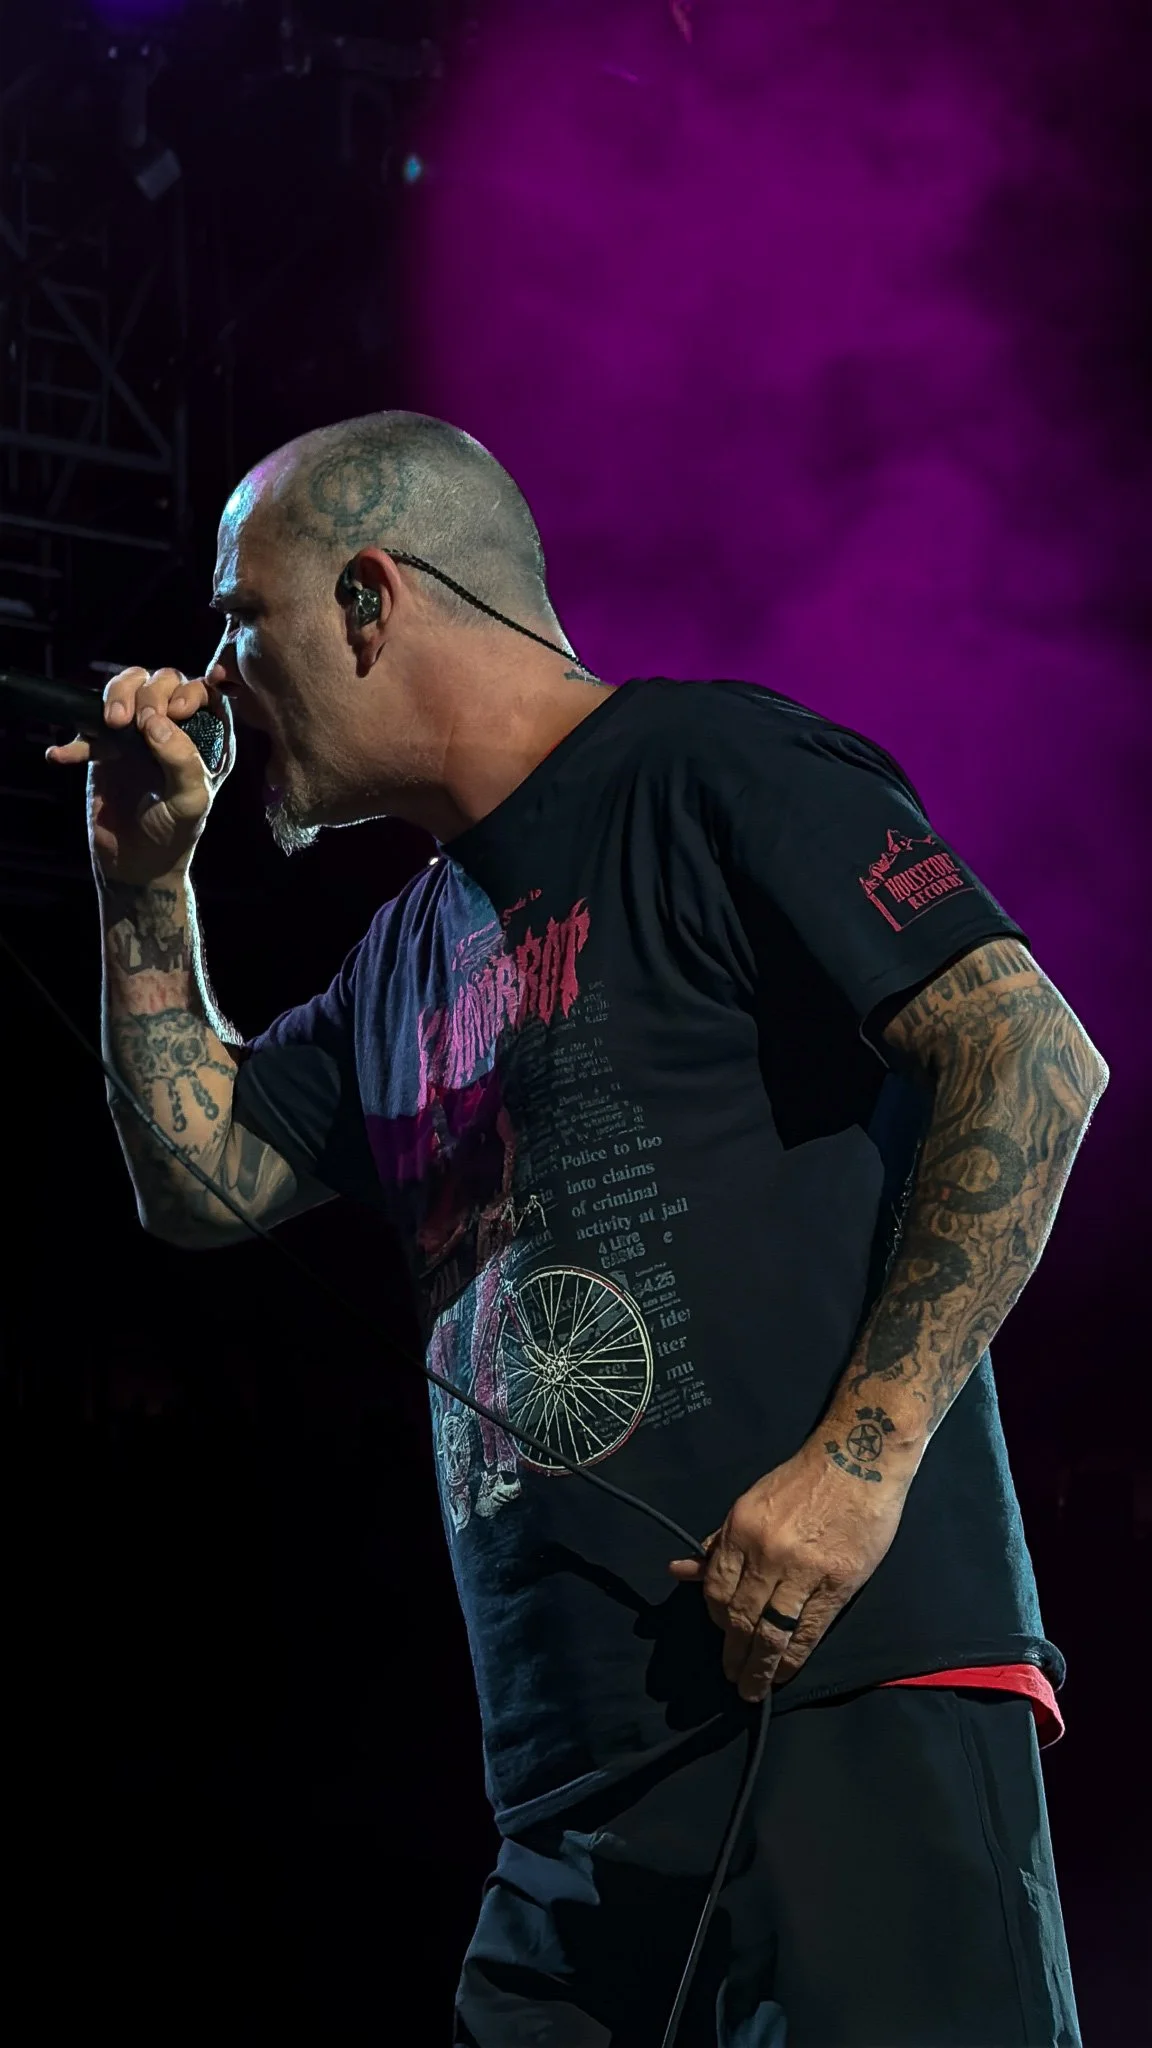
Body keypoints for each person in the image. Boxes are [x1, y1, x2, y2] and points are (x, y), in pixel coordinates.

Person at [51, 411, 1107, 2046]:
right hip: (573, 1810)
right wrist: (139, 882)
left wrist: (863, 1459)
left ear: (369, 600)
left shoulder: (710, 768)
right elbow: (200, 1184)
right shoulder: (402, 957)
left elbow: (1028, 1053)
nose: (216, 675)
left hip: (845, 1703)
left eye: (239, 619)